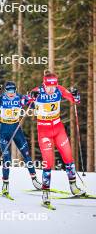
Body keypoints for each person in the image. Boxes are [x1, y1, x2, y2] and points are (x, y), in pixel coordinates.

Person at [30, 70, 85, 207]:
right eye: (49, 87)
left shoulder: (59, 90)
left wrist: (76, 95)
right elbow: (25, 101)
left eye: (53, 87)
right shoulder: (38, 91)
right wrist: (31, 97)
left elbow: (75, 100)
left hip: (58, 128)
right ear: (44, 85)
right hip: (44, 131)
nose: (51, 90)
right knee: (48, 162)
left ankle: (73, 186)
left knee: (68, 157)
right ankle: (46, 193)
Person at [0, 81, 41, 199]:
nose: (11, 93)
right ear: (5, 91)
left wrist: (34, 97)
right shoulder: (1, 99)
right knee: (7, 159)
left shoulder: (19, 98)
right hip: (4, 131)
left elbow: (31, 102)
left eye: (13, 91)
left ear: (15, 90)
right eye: (9, 91)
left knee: (26, 154)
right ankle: (5, 185)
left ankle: (35, 180)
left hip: (16, 129)